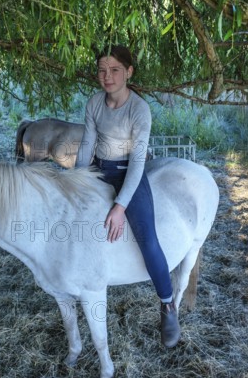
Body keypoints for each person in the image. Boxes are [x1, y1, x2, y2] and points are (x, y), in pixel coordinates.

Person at [75, 44, 180, 347]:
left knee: (147, 238)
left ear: (129, 72)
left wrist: (120, 206)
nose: (106, 77)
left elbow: (137, 161)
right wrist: (75, 181)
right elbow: (86, 146)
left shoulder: (139, 109)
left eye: (115, 70)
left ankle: (168, 304)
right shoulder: (95, 103)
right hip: (99, 169)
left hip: (129, 173)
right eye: (101, 70)